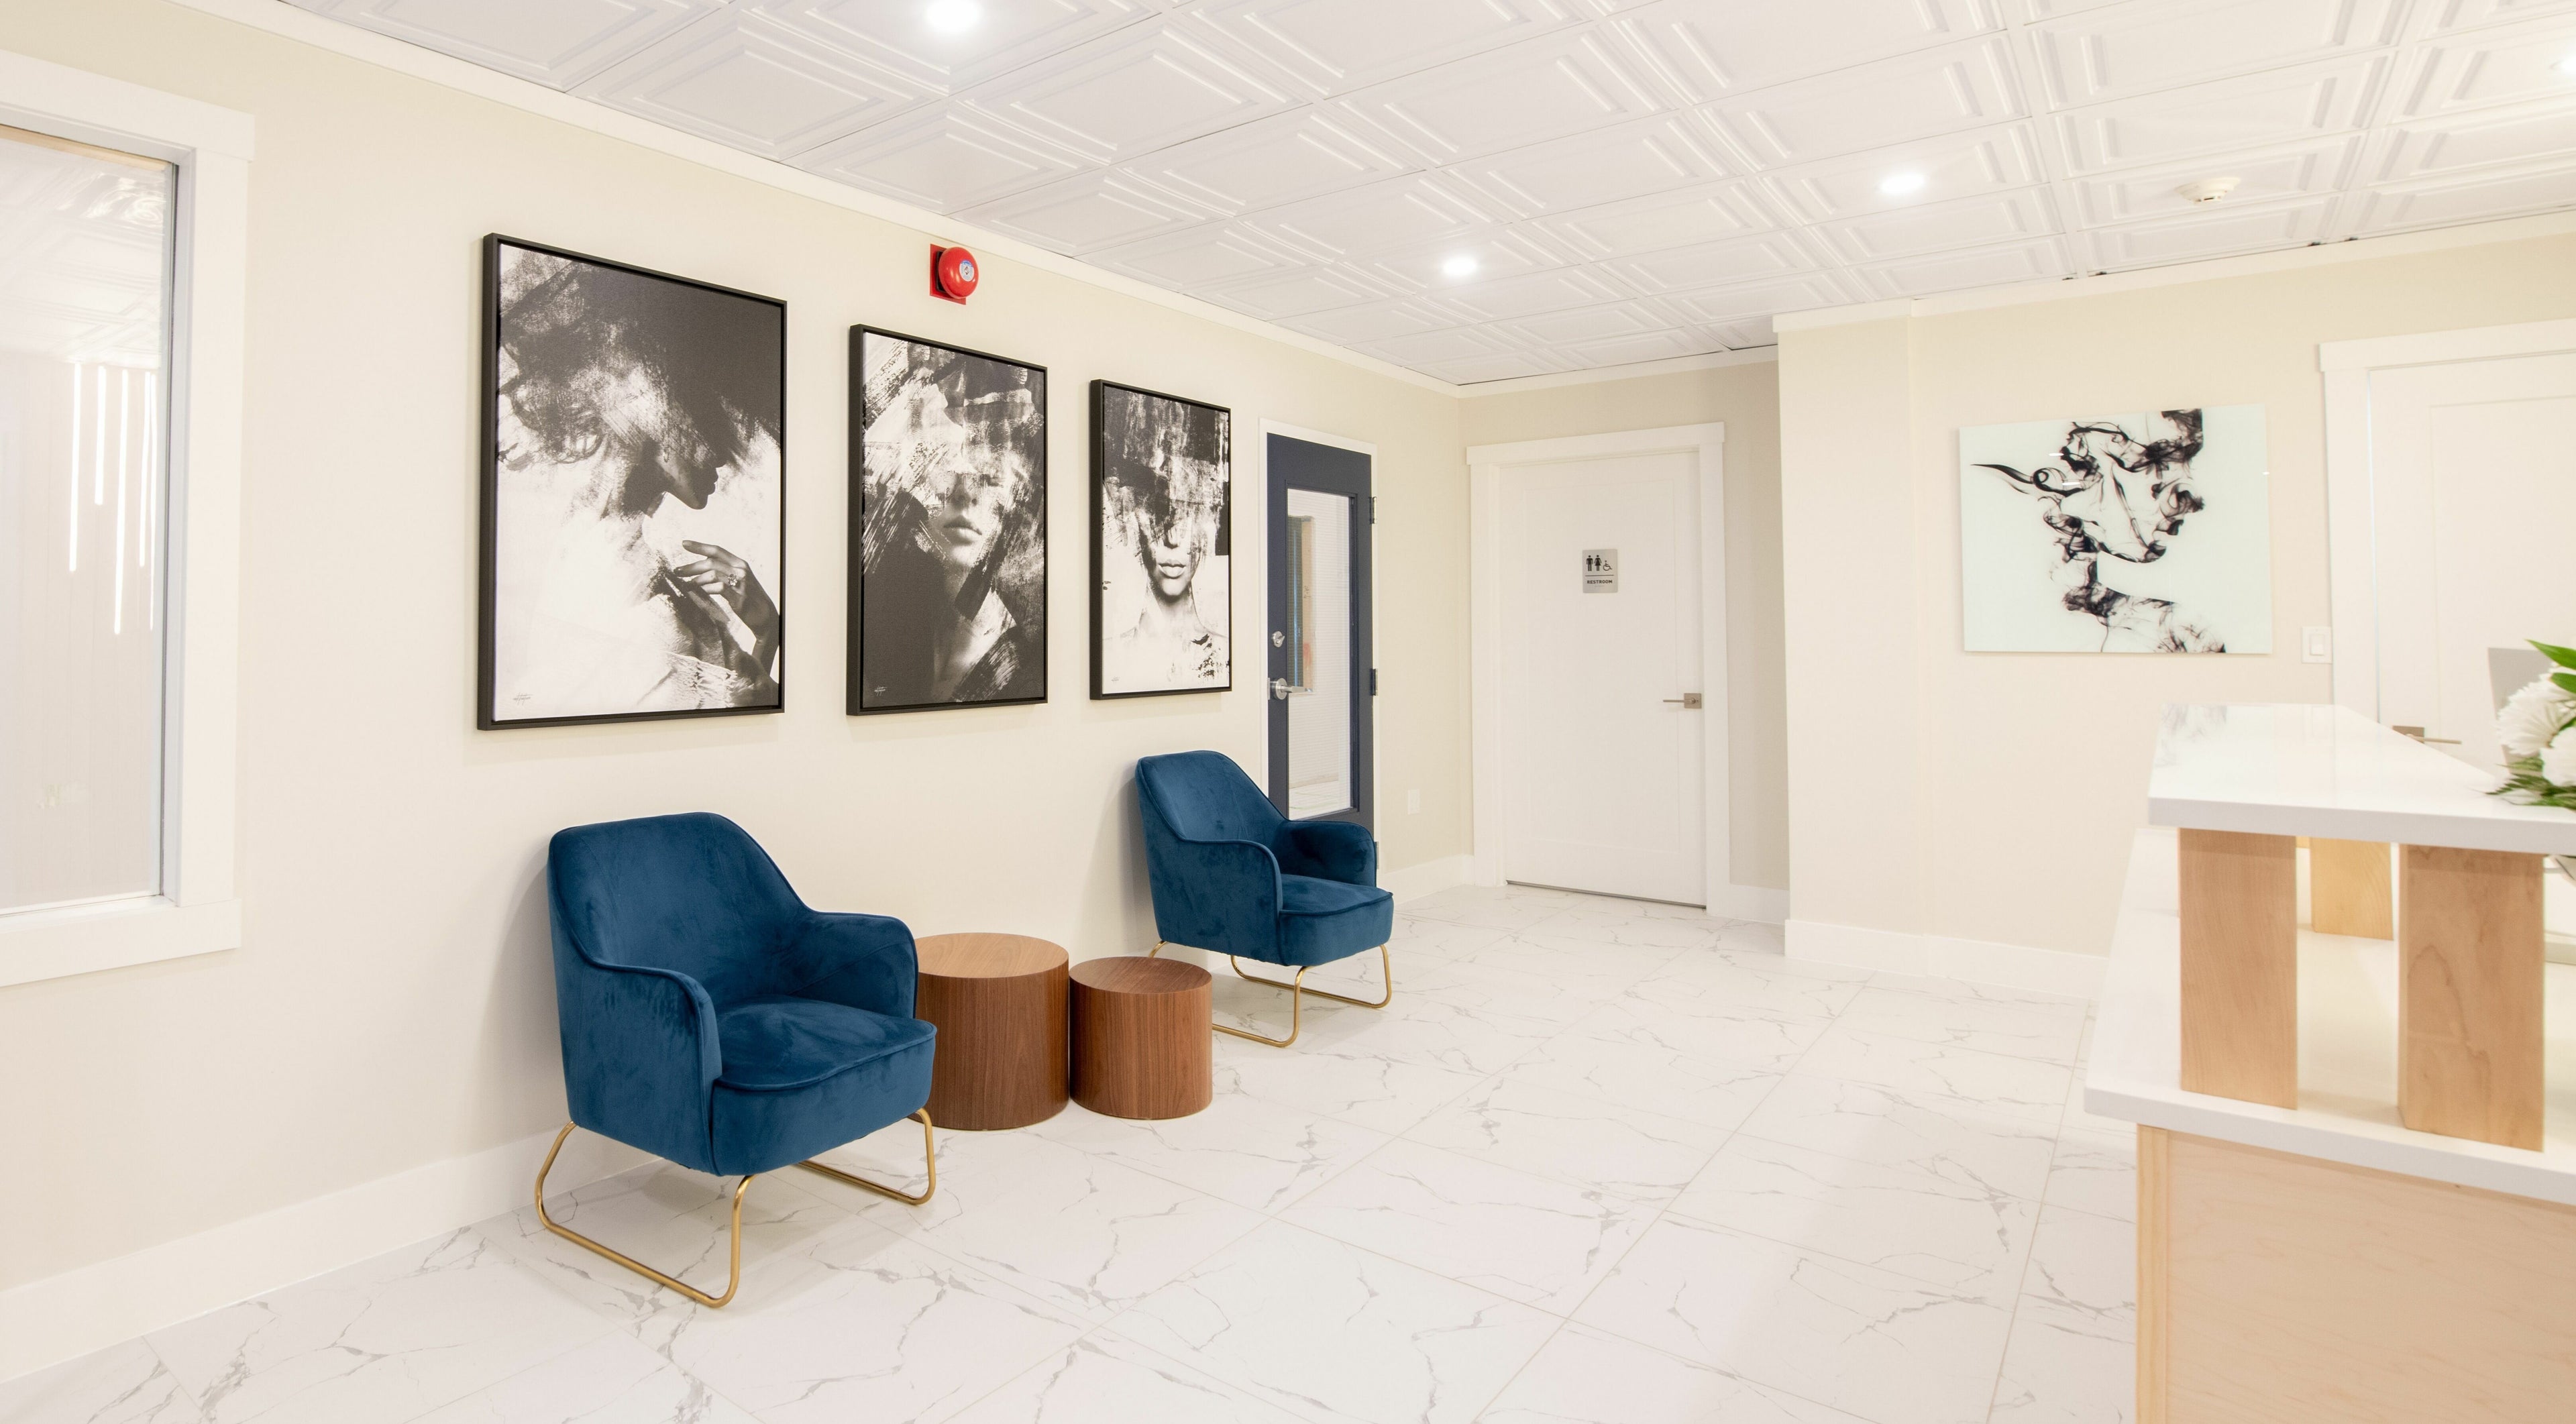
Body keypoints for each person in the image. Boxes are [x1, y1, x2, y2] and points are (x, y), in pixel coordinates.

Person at [492, 249, 781, 716]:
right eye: (721, 410)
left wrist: (768, 633)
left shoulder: (628, 557)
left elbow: (732, 713)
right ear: (659, 400)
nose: (727, 454)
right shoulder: (621, 592)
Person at [859, 352, 1043, 707]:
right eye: (943, 461)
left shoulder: (1027, 658)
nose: (965, 493)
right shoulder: (881, 628)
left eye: (989, 474)